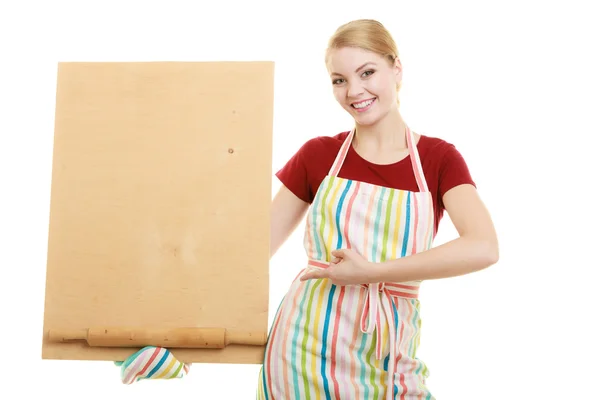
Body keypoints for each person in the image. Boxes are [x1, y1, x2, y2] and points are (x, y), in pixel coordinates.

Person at [255, 19, 499, 399]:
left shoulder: (439, 159)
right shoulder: (318, 155)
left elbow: (484, 247)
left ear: (396, 68)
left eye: (367, 72)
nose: (354, 91)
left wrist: (374, 273)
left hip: (390, 358)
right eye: (339, 79)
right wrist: (181, 330)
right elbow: (248, 257)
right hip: (300, 352)